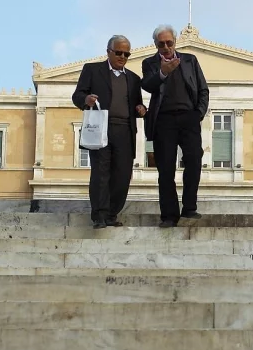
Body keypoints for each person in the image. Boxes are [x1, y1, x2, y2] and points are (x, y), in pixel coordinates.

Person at [71, 35, 146, 229]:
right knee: (101, 172)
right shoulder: (92, 70)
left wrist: (141, 109)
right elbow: (77, 95)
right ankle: (99, 215)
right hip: (100, 127)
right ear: (108, 52)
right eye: (119, 52)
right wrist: (86, 99)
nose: (122, 57)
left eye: (126, 54)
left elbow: (137, 103)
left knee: (122, 174)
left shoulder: (134, 78)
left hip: (125, 130)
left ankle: (112, 213)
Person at [141, 24, 209, 227]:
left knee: (194, 159)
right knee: (166, 168)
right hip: (164, 120)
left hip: (189, 117)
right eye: (161, 44)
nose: (166, 47)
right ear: (155, 44)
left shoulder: (190, 60)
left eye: (169, 43)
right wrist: (163, 72)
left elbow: (203, 89)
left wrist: (198, 113)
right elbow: (147, 85)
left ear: (175, 42)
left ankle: (189, 207)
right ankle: (169, 215)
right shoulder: (150, 63)